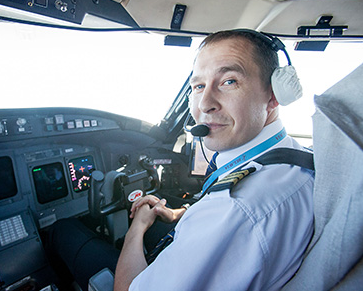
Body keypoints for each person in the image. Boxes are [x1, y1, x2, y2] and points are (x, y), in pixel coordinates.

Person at [47, 29, 314, 291]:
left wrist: (136, 229)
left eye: (228, 81)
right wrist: (178, 214)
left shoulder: (235, 211)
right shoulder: (294, 158)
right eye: (198, 86)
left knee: (63, 230)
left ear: (274, 95)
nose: (205, 104)